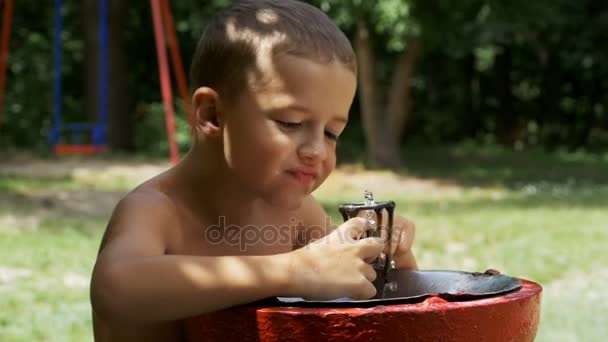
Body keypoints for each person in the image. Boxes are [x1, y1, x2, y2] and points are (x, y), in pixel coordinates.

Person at [90, 0, 417, 341]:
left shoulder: (300, 215)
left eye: (332, 133)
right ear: (213, 115)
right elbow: (116, 288)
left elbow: (365, 305)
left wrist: (390, 262)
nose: (317, 150)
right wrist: (295, 269)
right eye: (290, 123)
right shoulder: (157, 210)